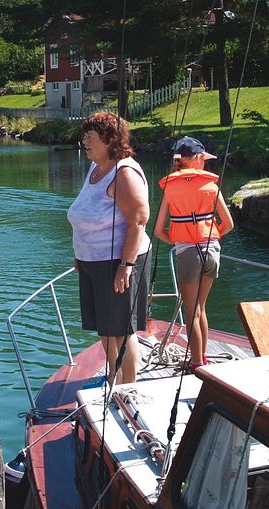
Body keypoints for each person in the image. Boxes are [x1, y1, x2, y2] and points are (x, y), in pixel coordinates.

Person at [67, 112, 151, 385]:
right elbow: (85, 214)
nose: (84, 142)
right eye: (84, 137)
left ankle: (128, 387)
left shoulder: (124, 172)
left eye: (90, 138)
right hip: (92, 261)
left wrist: (126, 267)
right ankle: (112, 378)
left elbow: (138, 219)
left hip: (118, 262)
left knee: (121, 329)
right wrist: (79, 254)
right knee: (104, 327)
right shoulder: (96, 168)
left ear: (109, 139)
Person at [154, 136, 234, 372]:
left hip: (187, 253)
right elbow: (228, 225)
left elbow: (159, 230)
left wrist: (180, 241)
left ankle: (197, 362)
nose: (205, 165)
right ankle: (204, 357)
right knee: (201, 307)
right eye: (204, 160)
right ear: (198, 159)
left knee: (192, 311)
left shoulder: (170, 187)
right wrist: (209, 235)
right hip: (212, 251)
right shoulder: (211, 186)